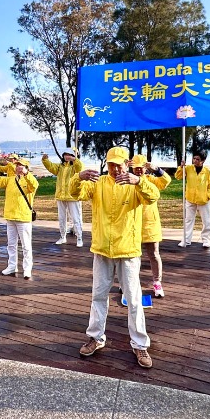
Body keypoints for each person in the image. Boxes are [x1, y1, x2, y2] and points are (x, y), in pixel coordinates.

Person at [69, 146, 159, 369]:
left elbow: (153, 196)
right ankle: (96, 337)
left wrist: (139, 182)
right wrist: (77, 177)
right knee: (98, 295)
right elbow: (75, 193)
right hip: (101, 250)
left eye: (119, 164)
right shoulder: (98, 183)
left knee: (134, 299)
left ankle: (140, 344)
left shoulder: (135, 184)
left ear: (127, 163)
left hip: (127, 251)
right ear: (106, 164)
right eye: (110, 164)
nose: (115, 168)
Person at [129, 155, 171, 297]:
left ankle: (157, 282)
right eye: (136, 168)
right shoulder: (128, 180)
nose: (139, 170)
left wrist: (156, 169)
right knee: (132, 257)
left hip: (150, 224)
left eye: (141, 167)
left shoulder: (151, 180)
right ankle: (130, 282)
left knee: (154, 254)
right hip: (132, 224)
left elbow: (166, 181)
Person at [0, 157, 38, 279]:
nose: (18, 167)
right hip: (10, 216)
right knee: (11, 244)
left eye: (22, 165)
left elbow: (35, 185)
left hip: (23, 217)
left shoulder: (29, 181)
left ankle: (27, 268)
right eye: (17, 165)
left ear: (26, 168)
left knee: (26, 245)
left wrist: (26, 174)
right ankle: (12, 266)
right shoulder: (10, 179)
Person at [42, 148, 84, 247]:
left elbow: (80, 167)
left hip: (72, 196)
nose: (66, 156)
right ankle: (62, 237)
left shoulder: (75, 166)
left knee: (75, 218)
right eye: (65, 154)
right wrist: (45, 160)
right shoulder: (60, 166)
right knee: (61, 218)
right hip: (60, 196)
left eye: (69, 154)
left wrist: (74, 159)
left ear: (73, 156)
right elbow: (51, 167)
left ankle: (79, 238)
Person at [174, 152, 210, 249]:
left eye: (197, 159)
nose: (195, 161)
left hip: (203, 200)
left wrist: (209, 196)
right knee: (188, 220)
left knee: (206, 221)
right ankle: (186, 240)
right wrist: (181, 167)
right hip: (190, 199)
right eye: (194, 158)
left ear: (203, 160)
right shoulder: (188, 168)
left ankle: (206, 240)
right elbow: (178, 176)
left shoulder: (207, 172)